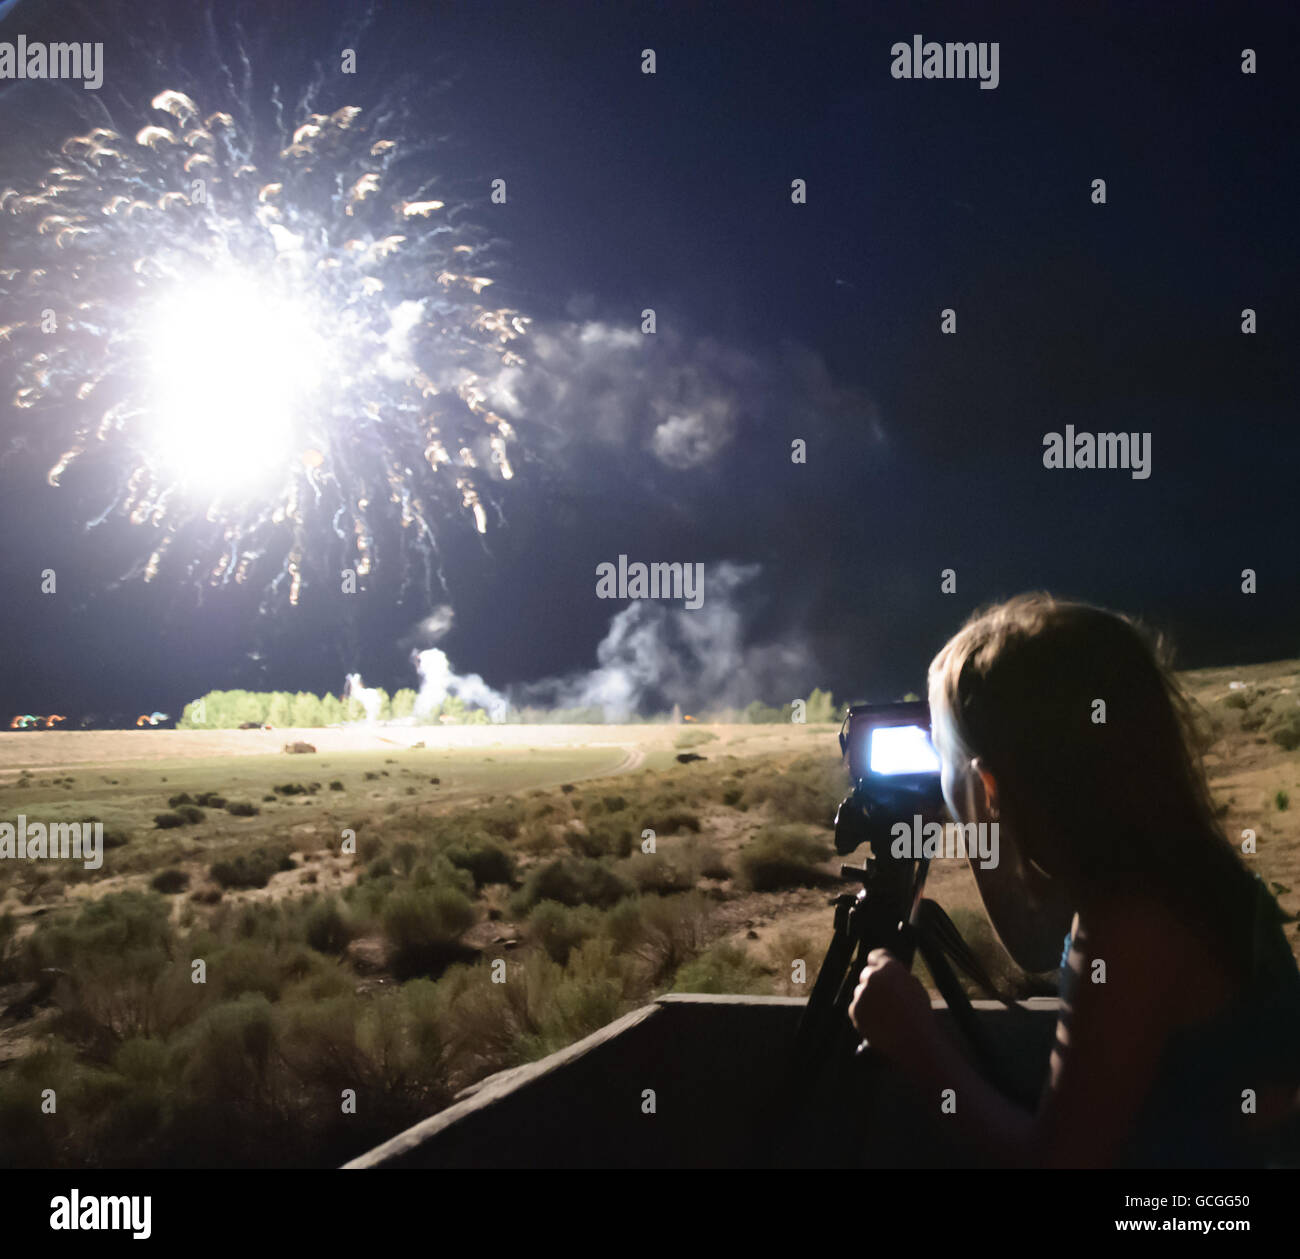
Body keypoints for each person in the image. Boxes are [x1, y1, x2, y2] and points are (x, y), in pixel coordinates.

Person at [848, 593, 1300, 1168]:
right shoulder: (1176, 872)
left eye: (944, 753)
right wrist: (983, 814)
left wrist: (916, 1045)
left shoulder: (1128, 925)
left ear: (989, 785)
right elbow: (1034, 941)